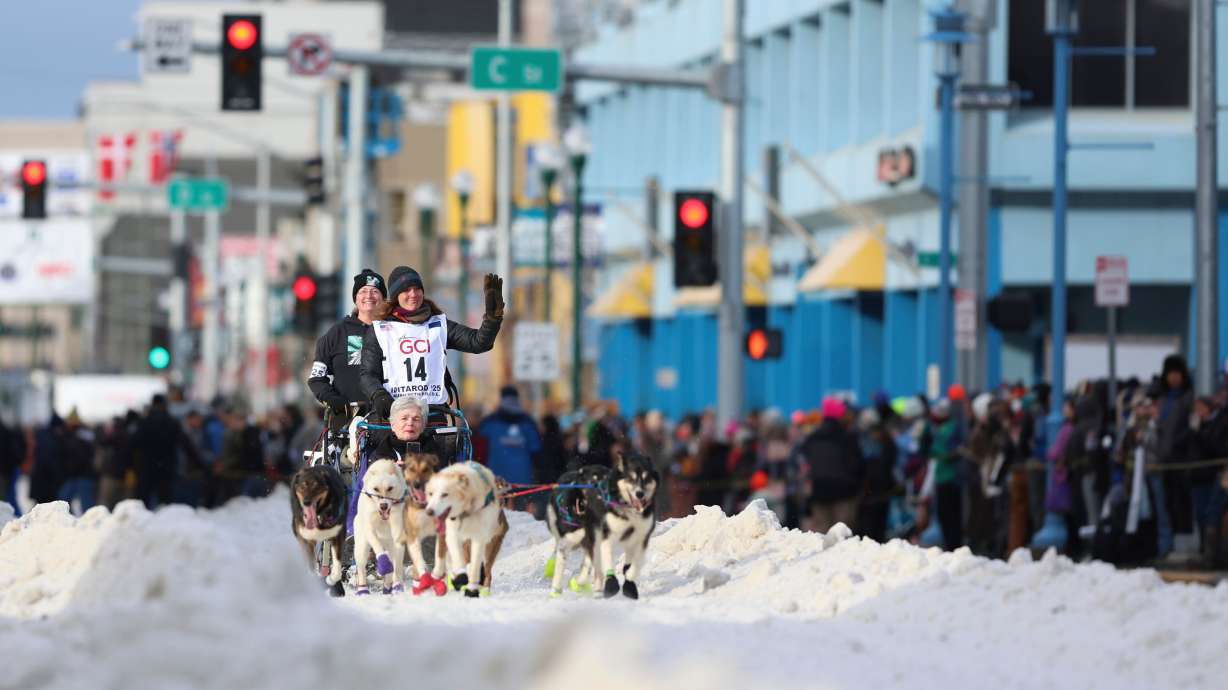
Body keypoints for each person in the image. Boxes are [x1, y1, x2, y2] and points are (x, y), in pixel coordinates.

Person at [359, 266, 503, 419]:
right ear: (396, 296)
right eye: (406, 290)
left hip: (433, 413)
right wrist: (379, 396)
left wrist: (492, 318)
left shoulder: (438, 325)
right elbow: (367, 375)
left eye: (417, 289)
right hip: (394, 415)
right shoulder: (380, 330)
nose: (413, 294)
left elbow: (478, 342)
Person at [309, 269, 386, 423]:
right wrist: (334, 401)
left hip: (388, 420)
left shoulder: (395, 330)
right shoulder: (337, 332)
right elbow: (316, 379)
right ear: (355, 298)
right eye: (363, 291)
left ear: (384, 298)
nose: (369, 296)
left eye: (375, 291)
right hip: (347, 420)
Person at [796, 397, 865, 534]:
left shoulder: (812, 438)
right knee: (843, 535)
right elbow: (858, 465)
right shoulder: (848, 437)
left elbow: (804, 465)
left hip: (819, 491)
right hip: (845, 492)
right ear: (840, 415)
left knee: (822, 534)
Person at [132, 394, 201, 510]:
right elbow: (187, 446)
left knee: (143, 504)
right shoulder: (172, 423)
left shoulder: (144, 422)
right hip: (166, 468)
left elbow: (133, 444)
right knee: (165, 503)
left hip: (146, 468)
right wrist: (201, 465)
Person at [476, 385, 542, 488]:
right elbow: (536, 448)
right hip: (523, 476)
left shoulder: (490, 422)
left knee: (500, 502)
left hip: (497, 476)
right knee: (520, 502)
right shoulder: (528, 423)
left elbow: (478, 443)